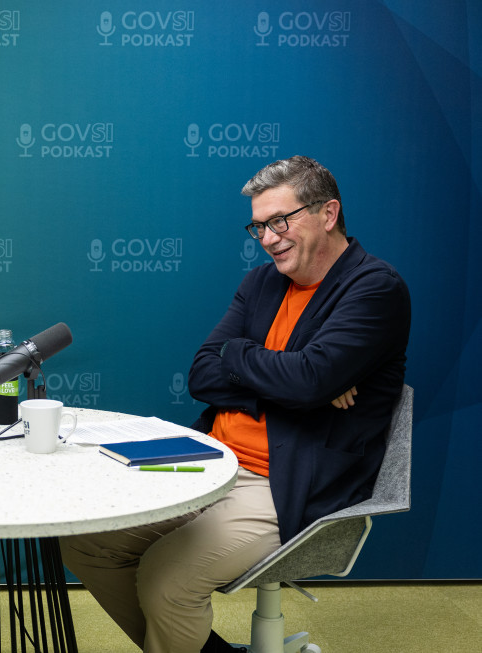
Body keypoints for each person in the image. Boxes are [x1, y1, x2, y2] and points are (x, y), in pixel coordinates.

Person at [60, 156, 410, 653]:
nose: (268, 238)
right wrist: (284, 374)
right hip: (211, 459)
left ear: (328, 213)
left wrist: (247, 358)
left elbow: (309, 380)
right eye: (259, 226)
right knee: (85, 542)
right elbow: (205, 373)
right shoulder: (261, 283)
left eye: (280, 221)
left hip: (289, 483)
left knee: (166, 580)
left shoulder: (376, 289)